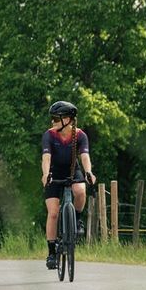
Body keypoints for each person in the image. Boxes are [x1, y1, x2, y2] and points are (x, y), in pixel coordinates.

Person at [41, 100, 96, 269]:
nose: (53, 122)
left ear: (68, 119)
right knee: (53, 213)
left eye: (56, 119)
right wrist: (45, 175)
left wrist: (89, 173)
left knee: (80, 191)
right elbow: (46, 158)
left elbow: (85, 157)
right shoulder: (49, 135)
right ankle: (51, 252)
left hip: (73, 170)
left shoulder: (80, 136)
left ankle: (77, 220)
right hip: (54, 173)